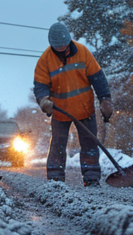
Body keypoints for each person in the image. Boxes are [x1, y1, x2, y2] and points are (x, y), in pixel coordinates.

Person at [33, 22, 113, 186]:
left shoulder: (83, 52)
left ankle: (91, 179)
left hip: (85, 109)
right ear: (52, 46)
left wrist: (105, 99)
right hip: (60, 111)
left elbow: (98, 78)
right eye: (58, 48)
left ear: (69, 41)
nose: (62, 50)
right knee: (57, 145)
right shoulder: (45, 60)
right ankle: (56, 180)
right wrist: (43, 100)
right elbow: (40, 86)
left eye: (64, 46)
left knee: (90, 144)